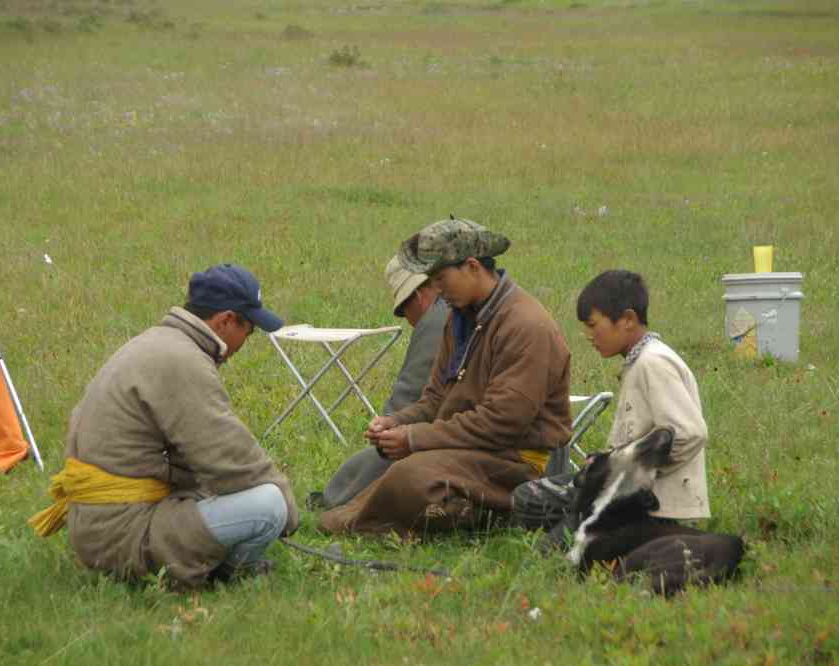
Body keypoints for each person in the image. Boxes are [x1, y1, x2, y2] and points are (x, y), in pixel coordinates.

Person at [29, 264, 299, 588]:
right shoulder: (182, 361)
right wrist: (287, 510)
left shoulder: (160, 343)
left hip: (99, 523)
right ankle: (229, 575)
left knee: (231, 494)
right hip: (120, 534)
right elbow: (228, 457)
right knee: (268, 505)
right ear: (226, 320)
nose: (247, 341)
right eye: (249, 330)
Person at [318, 218, 572, 535]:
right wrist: (398, 422)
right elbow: (436, 399)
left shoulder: (527, 326)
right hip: (471, 451)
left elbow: (502, 423)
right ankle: (354, 519)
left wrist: (415, 439)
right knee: (394, 468)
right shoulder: (459, 318)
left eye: (441, 278)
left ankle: (497, 514)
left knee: (411, 476)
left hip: (519, 464)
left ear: (472, 266)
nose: (437, 290)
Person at [512, 269, 709, 538]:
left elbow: (689, 433)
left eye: (593, 325)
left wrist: (624, 476)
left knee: (530, 498)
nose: (588, 335)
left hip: (655, 505)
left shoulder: (654, 363)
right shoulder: (641, 361)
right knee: (537, 503)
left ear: (628, 319)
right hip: (632, 493)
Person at [314, 255, 448, 509]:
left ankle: (340, 501)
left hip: (469, 443)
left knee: (387, 459)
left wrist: (389, 429)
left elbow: (410, 394)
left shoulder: (435, 320)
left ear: (418, 295)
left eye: (404, 310)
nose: (409, 321)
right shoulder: (457, 313)